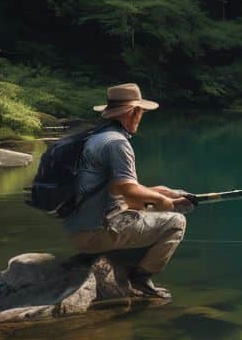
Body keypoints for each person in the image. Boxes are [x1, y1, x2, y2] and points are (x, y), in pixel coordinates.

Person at [63, 83, 194, 299]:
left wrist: (168, 193)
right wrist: (169, 204)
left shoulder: (95, 138)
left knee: (146, 212)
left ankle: (108, 261)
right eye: (141, 112)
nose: (141, 117)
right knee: (175, 222)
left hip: (77, 229)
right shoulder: (117, 144)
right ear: (133, 112)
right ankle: (140, 279)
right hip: (96, 233)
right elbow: (130, 191)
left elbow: (118, 191)